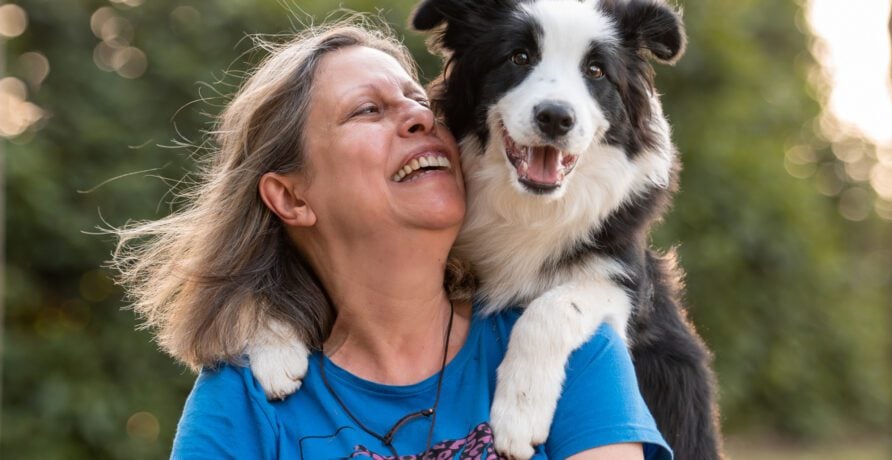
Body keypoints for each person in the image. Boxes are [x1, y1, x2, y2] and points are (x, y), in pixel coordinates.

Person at [112, 19, 673, 460]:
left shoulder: (574, 341)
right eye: (368, 110)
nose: (419, 119)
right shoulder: (242, 399)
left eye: (417, 101)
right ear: (291, 197)